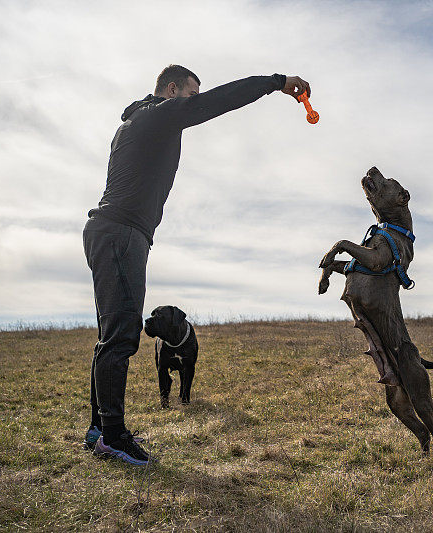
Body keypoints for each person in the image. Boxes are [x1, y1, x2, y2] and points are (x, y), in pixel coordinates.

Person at [82, 65, 311, 465]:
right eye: (190, 94)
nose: (193, 103)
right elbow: (220, 101)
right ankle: (113, 437)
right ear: (172, 90)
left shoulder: (140, 120)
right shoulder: (158, 114)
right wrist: (278, 84)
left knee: (112, 336)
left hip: (115, 233)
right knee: (121, 338)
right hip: (121, 235)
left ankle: (100, 429)